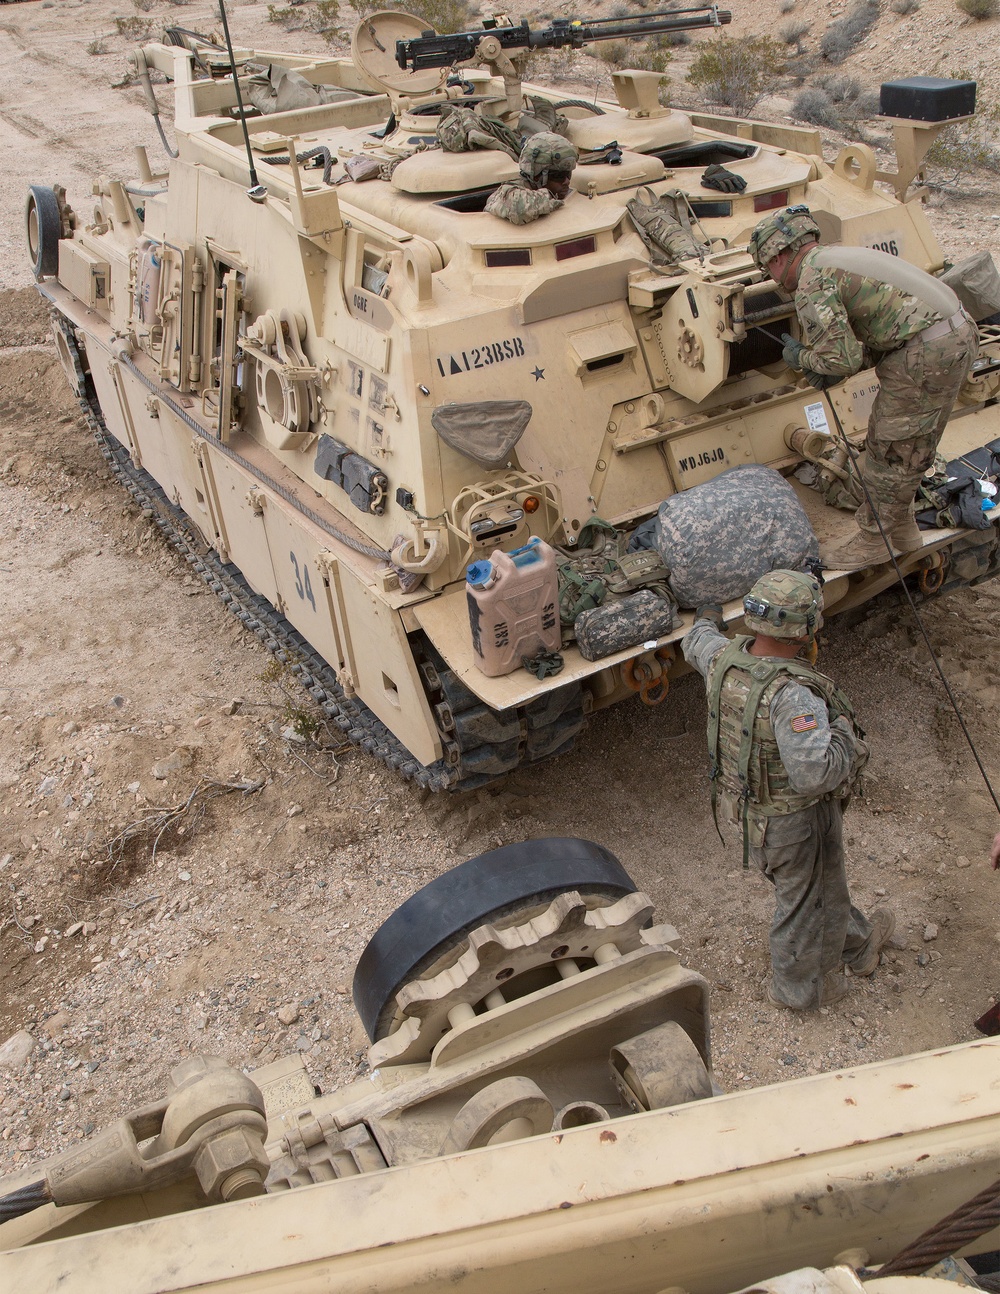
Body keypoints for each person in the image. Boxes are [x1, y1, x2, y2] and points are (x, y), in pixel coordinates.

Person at [683, 569, 896, 1010]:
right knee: (801, 903)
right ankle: (801, 990)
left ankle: (856, 945)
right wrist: (844, 738)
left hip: (746, 813)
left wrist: (706, 617)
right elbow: (813, 774)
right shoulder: (794, 695)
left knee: (820, 886)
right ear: (805, 631)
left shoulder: (721, 656)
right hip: (794, 821)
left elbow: (695, 640)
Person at [748, 207, 979, 570]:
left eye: (769, 269)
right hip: (955, 333)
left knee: (889, 450)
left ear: (779, 256)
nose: (773, 279)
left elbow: (841, 359)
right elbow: (880, 329)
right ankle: (901, 529)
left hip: (925, 353)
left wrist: (803, 357)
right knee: (910, 446)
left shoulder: (811, 279)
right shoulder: (835, 256)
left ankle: (874, 540)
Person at [485, 132, 578, 226]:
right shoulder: (507, 194)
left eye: (568, 174)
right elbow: (519, 208)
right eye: (559, 176)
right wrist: (551, 198)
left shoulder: (557, 191)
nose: (567, 181)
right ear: (537, 176)